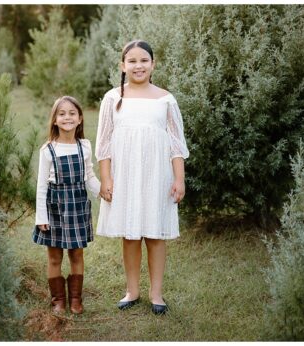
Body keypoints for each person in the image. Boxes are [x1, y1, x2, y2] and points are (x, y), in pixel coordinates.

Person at [95, 40, 189, 315]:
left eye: (144, 60)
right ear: (123, 65)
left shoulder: (165, 99)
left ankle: (156, 293)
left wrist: (179, 179)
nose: (139, 66)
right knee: (131, 234)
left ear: (153, 63)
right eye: (132, 61)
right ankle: (132, 290)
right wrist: (106, 178)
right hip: (125, 175)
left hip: (157, 176)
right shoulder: (113, 98)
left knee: (155, 234)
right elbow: (104, 143)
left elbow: (176, 144)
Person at [33, 96, 100, 315]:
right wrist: (41, 217)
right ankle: (58, 300)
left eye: (72, 113)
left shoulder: (85, 146)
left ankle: (75, 300)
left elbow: (89, 174)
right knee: (54, 256)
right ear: (54, 120)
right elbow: (42, 186)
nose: (67, 117)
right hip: (55, 206)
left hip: (77, 204)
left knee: (76, 254)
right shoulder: (48, 150)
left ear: (80, 119)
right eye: (62, 113)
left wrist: (103, 191)